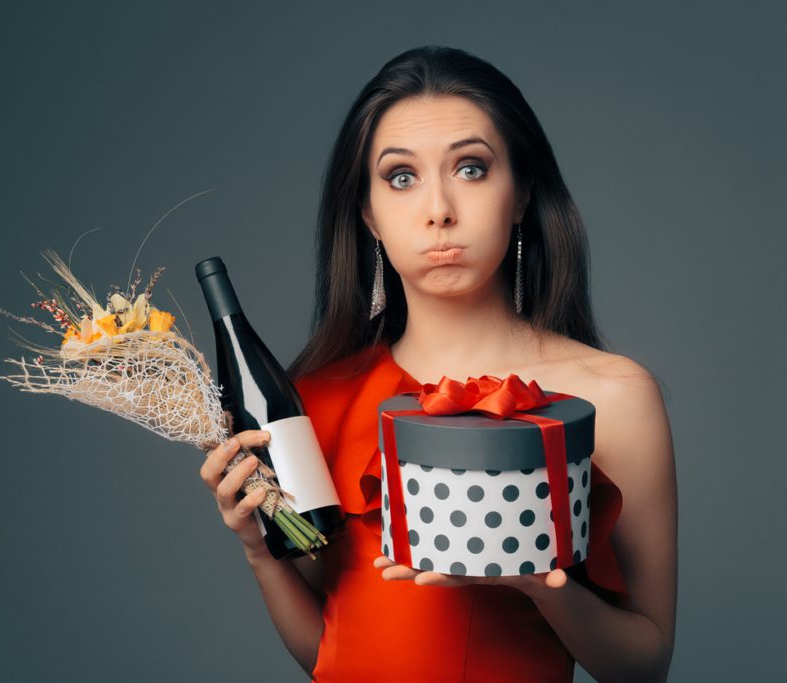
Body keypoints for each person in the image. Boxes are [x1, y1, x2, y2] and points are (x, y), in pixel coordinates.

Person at [199, 45, 677, 682]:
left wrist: (543, 584)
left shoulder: (613, 398)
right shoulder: (313, 400)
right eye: (402, 177)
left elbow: (643, 666)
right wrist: (260, 553)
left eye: (472, 168)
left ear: (523, 190)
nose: (439, 209)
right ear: (368, 212)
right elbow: (330, 651)